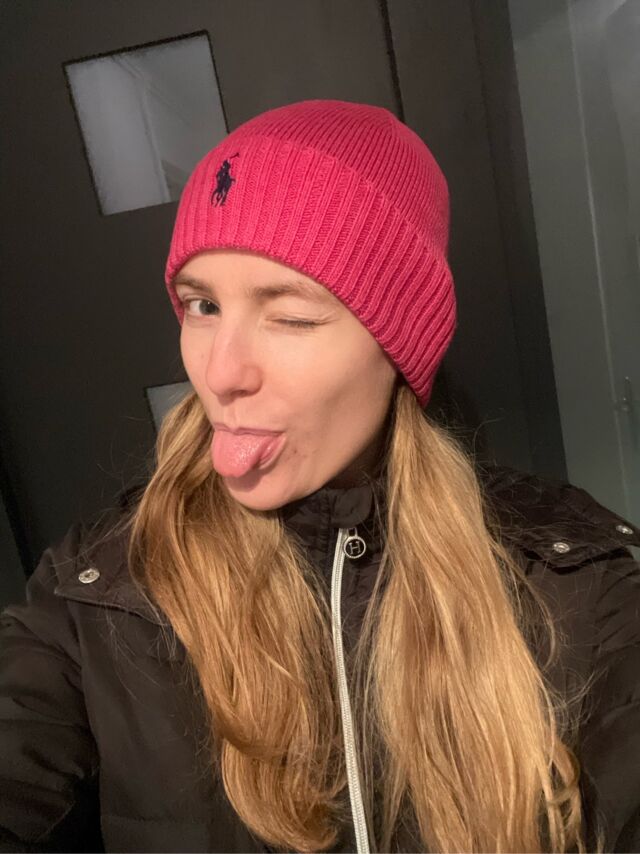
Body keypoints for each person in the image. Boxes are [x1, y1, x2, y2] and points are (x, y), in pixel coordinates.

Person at [1, 99, 639, 854]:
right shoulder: (96, 589)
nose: (220, 373)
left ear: (398, 347)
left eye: (291, 316)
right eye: (202, 305)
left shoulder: (578, 587)